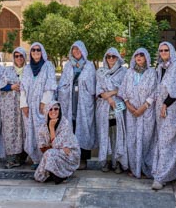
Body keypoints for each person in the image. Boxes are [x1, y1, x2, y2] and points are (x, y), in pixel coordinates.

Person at [118, 47, 157, 179]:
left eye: (142, 55)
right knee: (132, 139)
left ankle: (145, 168)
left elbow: (155, 92)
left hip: (146, 112)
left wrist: (144, 107)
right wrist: (129, 105)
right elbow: (123, 91)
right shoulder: (129, 72)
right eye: (136, 55)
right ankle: (134, 168)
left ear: (146, 57)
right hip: (131, 112)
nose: (139, 57)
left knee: (146, 139)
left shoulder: (152, 73)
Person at [57, 41, 97, 170]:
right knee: (71, 127)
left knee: (84, 128)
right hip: (70, 100)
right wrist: (66, 90)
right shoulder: (68, 66)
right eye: (74, 49)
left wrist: (83, 87)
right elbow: (62, 83)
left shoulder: (89, 66)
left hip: (84, 102)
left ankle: (83, 159)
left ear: (83, 50)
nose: (76, 51)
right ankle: (71, 157)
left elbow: (93, 85)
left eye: (78, 49)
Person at [151, 41, 176, 190]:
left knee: (167, 141)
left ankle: (161, 177)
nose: (163, 53)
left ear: (171, 51)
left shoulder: (175, 67)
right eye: (161, 50)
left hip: (171, 109)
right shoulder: (160, 67)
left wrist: (165, 104)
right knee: (164, 141)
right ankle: (174, 172)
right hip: (161, 110)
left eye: (166, 50)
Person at [20, 42, 57, 169]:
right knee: (30, 131)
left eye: (38, 50)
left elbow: (51, 85)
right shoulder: (27, 68)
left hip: (42, 105)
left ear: (42, 52)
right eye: (33, 50)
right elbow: (23, 88)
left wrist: (44, 102)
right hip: (29, 105)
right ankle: (35, 159)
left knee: (43, 131)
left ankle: (45, 159)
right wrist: (24, 104)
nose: (36, 52)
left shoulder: (48, 66)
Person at [95, 47, 128, 173]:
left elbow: (124, 89)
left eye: (113, 56)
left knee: (118, 133)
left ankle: (118, 161)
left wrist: (113, 93)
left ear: (118, 58)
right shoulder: (100, 72)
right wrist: (110, 98)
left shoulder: (124, 72)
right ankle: (106, 160)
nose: (111, 59)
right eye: (108, 57)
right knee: (105, 134)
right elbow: (99, 91)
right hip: (104, 108)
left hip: (119, 107)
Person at [34, 101, 80, 184]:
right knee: (49, 155)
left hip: (70, 155)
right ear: (47, 112)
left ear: (59, 110)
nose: (53, 111)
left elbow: (56, 145)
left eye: (56, 109)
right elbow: (42, 147)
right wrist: (56, 147)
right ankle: (54, 173)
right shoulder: (43, 128)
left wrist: (51, 128)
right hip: (55, 153)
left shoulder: (65, 124)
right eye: (50, 109)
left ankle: (61, 175)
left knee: (51, 153)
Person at [0, 47, 27, 168]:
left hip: (25, 105)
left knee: (25, 130)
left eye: (21, 56)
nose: (19, 58)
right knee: (11, 130)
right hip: (11, 107)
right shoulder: (7, 70)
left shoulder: (29, 71)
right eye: (16, 56)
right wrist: (12, 87)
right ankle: (11, 158)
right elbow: (0, 86)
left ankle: (23, 157)